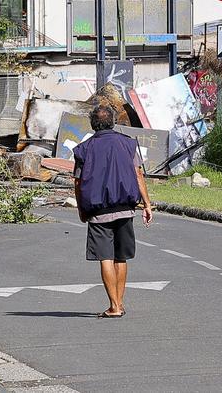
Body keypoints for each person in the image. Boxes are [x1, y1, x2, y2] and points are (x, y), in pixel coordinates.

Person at [72, 103, 154, 318]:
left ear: (93, 124)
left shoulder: (84, 149)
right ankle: (120, 303)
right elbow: (138, 174)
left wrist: (81, 210)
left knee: (105, 257)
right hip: (125, 209)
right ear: (113, 122)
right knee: (121, 257)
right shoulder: (127, 144)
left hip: (98, 211)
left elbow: (78, 183)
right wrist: (147, 204)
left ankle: (114, 306)